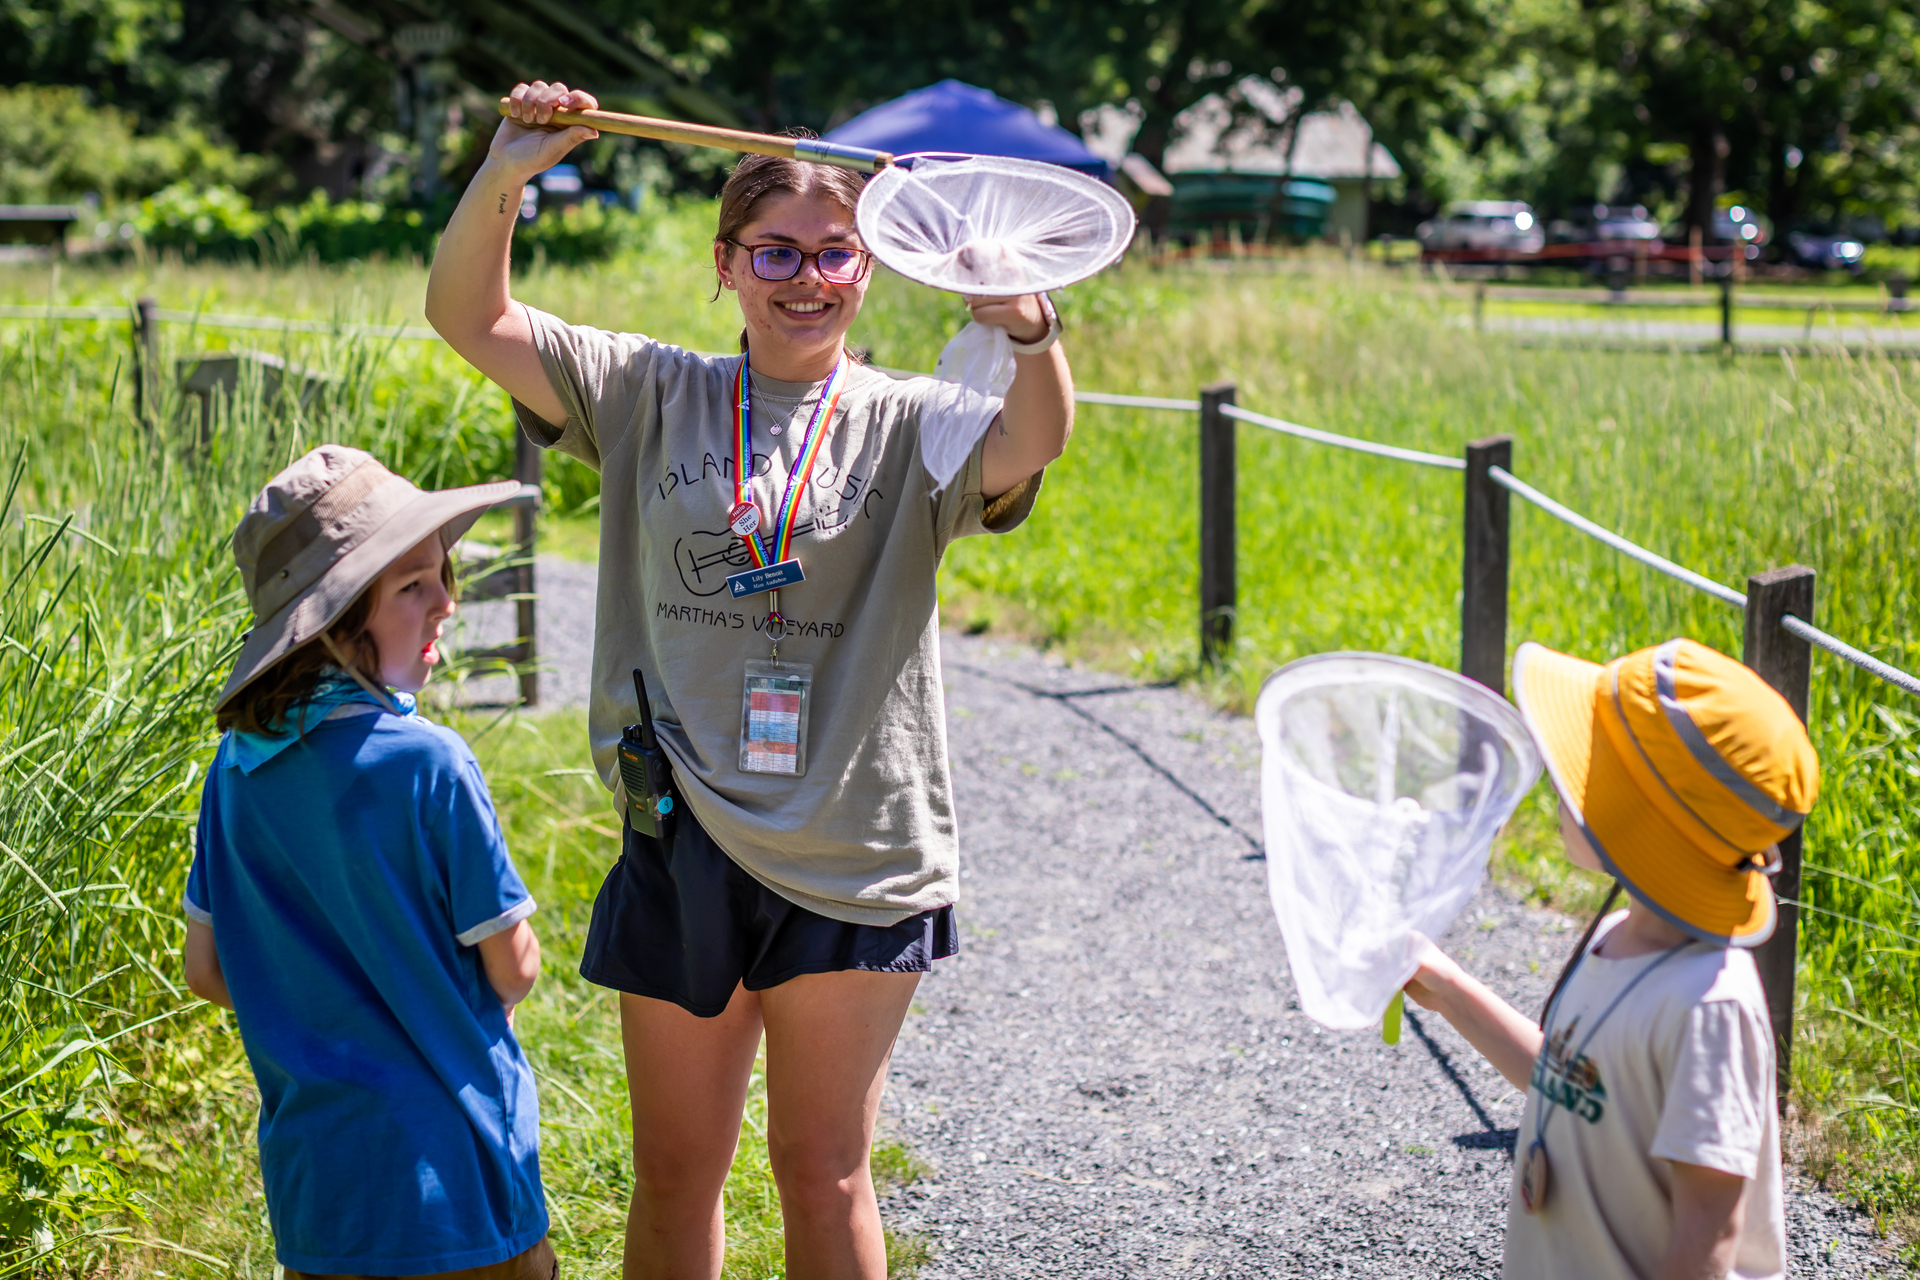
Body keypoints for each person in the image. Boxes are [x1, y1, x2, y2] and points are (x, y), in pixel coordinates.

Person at [424, 81, 1070, 1280]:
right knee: (675, 1174)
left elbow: (1031, 443)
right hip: (681, 827)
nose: (806, 277)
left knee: (822, 1173)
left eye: (835, 254)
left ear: (871, 267)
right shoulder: (644, 389)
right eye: (775, 251)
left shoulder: (915, 420)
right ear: (726, 261)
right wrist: (508, 168)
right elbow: (468, 313)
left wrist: (1028, 330)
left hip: (854, 845)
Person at [182, 445, 552, 1280]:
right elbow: (514, 969)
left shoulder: (234, 773)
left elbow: (207, 969)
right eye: (412, 586)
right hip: (458, 1183)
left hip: (322, 1196)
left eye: (443, 575)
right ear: (337, 621)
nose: (447, 604)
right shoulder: (430, 763)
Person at [1403, 637, 1819, 1280]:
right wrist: (1449, 987)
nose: (1562, 775)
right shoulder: (1623, 934)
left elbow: (1708, 1233)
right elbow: (1573, 1081)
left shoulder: (1710, 1008)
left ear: (1641, 821)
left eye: (1588, 764)